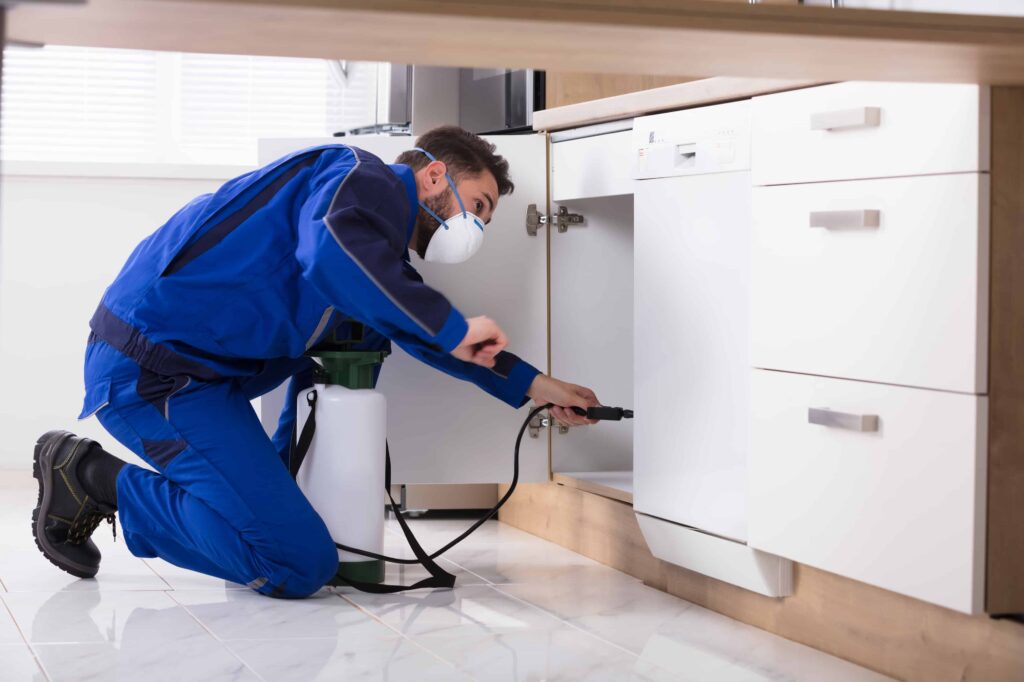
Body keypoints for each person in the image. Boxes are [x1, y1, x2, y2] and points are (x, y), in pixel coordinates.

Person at [31, 126, 600, 599]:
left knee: (363, 335)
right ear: (432, 176)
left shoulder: (374, 261)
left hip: (205, 381)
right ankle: (93, 478)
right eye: (477, 206)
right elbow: (331, 247)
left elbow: (432, 341)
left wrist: (540, 387)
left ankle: (274, 498)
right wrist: (452, 326)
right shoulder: (359, 177)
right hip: (148, 372)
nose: (475, 227)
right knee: (296, 564)